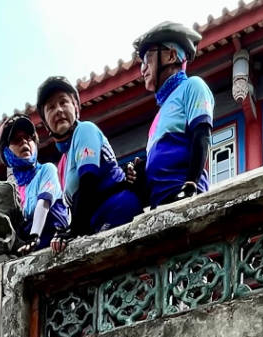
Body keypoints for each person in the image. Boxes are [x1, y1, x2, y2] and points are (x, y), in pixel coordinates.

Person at [36, 75, 143, 244]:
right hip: (97, 223)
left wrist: (74, 231)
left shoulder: (84, 129)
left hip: (117, 211)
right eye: (50, 107)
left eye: (64, 102)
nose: (58, 110)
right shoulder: (63, 163)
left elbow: (88, 181)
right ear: (45, 123)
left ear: (76, 108)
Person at [134, 21, 214, 206]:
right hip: (159, 203)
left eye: (147, 59)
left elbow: (201, 135)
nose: (143, 69)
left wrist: (191, 184)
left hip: (183, 195)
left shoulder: (193, 85)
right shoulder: (158, 115)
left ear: (170, 55)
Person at [0, 114, 69, 251]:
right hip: (29, 251)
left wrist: (34, 236)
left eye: (29, 138)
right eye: (16, 140)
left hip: (55, 243)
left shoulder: (46, 170)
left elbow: (43, 203)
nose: (24, 142)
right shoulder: (12, 190)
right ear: (5, 152)